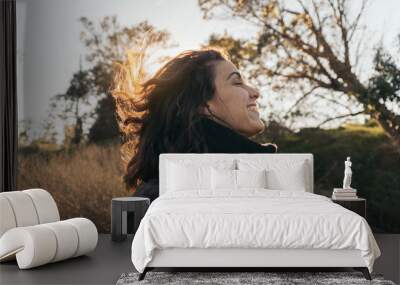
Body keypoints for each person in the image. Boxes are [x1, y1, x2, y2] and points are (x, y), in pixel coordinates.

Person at [112, 47, 278, 203]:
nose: (255, 93)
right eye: (236, 82)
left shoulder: (233, 175)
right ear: (203, 105)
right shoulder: (169, 193)